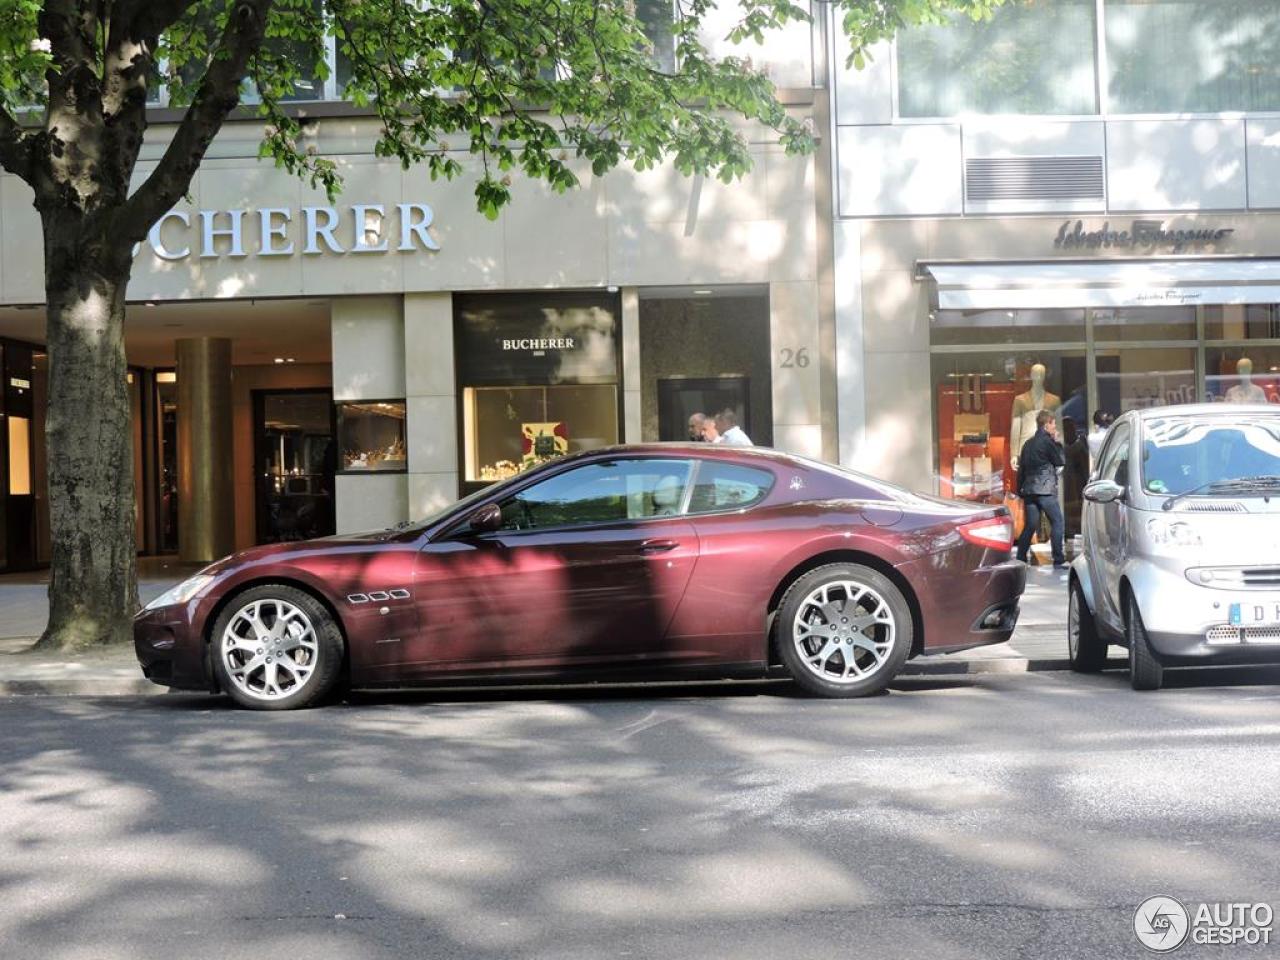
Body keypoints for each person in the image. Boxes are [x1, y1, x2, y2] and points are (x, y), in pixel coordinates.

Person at [1015, 409, 1066, 568]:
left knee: (1030, 525)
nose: (1055, 428)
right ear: (1046, 425)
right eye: (1053, 424)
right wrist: (1057, 442)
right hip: (1045, 490)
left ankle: (1020, 557)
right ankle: (1058, 558)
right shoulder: (1048, 442)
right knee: (1057, 521)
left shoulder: (1027, 444)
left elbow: (1021, 469)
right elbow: (1059, 461)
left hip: (1029, 490)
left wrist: (1020, 490)